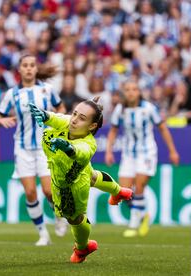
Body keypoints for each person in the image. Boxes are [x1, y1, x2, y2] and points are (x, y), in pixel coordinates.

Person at [28, 97, 133, 263]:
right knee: (92, 175)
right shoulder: (68, 123)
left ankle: (83, 247)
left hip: (72, 185)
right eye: (75, 114)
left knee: (74, 218)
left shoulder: (89, 143)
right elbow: (57, 117)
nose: (74, 120)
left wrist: (68, 147)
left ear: (92, 126)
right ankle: (119, 191)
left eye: (82, 118)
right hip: (77, 170)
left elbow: (81, 151)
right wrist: (44, 115)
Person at [0, 54, 67, 246]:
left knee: (49, 191)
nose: (28, 68)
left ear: (36, 69)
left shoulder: (47, 90)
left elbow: (61, 108)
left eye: (31, 65)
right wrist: (2, 120)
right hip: (23, 148)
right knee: (30, 193)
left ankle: (59, 215)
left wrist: (58, 122)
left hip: (45, 146)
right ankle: (43, 234)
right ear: (19, 69)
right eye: (25, 65)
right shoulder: (12, 94)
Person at [105, 80, 180, 238]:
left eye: (134, 89)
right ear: (124, 92)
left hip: (147, 153)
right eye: (128, 89)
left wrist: (172, 151)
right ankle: (142, 214)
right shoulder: (120, 109)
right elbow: (113, 130)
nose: (131, 92)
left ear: (139, 92)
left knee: (139, 187)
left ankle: (133, 224)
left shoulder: (149, 108)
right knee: (123, 191)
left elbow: (163, 129)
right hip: (128, 154)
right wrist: (109, 151)